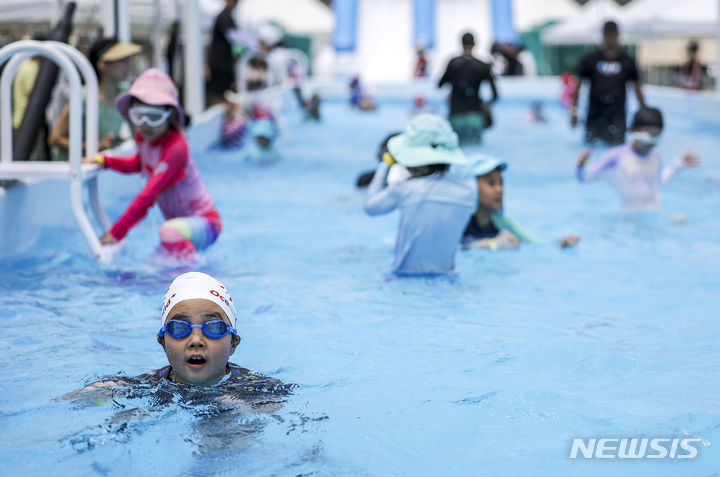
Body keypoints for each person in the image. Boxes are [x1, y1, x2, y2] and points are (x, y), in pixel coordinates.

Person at [69, 272, 288, 396]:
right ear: (162, 342)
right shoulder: (147, 386)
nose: (195, 341)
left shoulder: (261, 390)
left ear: (233, 344)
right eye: (179, 328)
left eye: (213, 328)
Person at [83, 69, 221, 258]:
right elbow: (137, 163)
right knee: (153, 266)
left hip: (205, 224)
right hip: (180, 228)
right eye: (139, 116)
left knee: (168, 233)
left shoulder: (177, 148)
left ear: (170, 117)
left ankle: (196, 275)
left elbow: (148, 195)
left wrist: (116, 233)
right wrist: (103, 160)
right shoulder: (144, 138)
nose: (146, 124)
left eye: (154, 117)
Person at [364, 114, 476, 275]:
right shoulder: (469, 191)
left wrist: (385, 163)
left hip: (404, 277)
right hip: (448, 276)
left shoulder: (405, 189)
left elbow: (370, 207)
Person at [576, 106, 700, 211]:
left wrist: (678, 165)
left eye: (656, 136)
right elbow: (585, 179)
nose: (652, 141)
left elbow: (655, 184)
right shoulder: (615, 157)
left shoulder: (655, 155)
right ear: (633, 131)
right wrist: (581, 166)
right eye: (649, 135)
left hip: (653, 214)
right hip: (628, 221)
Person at [458, 155, 580, 250]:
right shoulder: (459, 222)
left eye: (501, 183)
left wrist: (560, 243)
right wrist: (490, 244)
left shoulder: (501, 222)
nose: (499, 190)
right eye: (491, 183)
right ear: (471, 187)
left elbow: (533, 242)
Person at [49, 38, 141, 162]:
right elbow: (55, 139)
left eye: (127, 60)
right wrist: (96, 146)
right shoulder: (83, 97)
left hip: (99, 166)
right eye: (121, 60)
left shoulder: (126, 95)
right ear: (102, 64)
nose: (127, 66)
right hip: (74, 169)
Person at [571, 21, 645, 145]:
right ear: (603, 36)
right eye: (607, 35)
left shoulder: (627, 61)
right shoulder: (591, 59)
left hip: (618, 117)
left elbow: (637, 88)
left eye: (613, 35)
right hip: (594, 116)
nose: (610, 38)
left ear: (618, 35)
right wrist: (574, 112)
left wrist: (644, 112)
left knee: (616, 150)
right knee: (591, 149)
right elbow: (577, 86)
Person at [438, 32, 498, 145]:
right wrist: (486, 105)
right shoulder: (482, 65)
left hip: (455, 115)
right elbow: (495, 95)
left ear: (461, 43)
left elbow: (440, 84)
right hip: (475, 115)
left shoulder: (453, 63)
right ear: (475, 44)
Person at [208, 0, 250, 104]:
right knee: (221, 95)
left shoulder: (228, 16)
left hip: (225, 64)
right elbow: (233, 37)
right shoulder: (224, 16)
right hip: (220, 65)